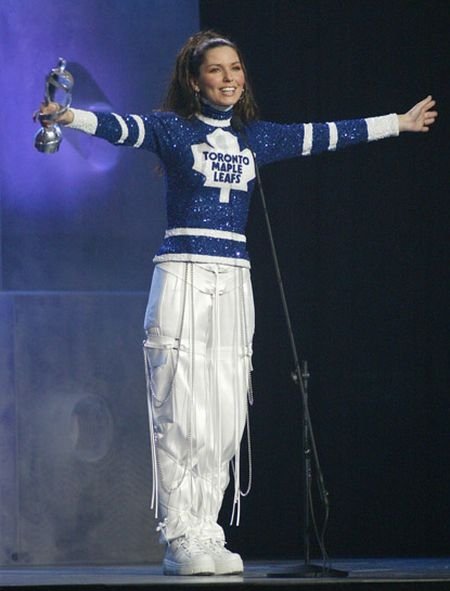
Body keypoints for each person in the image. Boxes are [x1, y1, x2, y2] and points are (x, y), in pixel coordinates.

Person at [37, 30, 437, 576]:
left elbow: (320, 135)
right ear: (195, 80)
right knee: (181, 409)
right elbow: (120, 127)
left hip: (233, 280)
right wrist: (68, 117)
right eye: (217, 70)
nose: (229, 78)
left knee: (223, 415)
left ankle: (208, 527)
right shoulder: (171, 129)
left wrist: (398, 122)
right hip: (182, 274)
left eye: (236, 69)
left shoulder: (257, 139)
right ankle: (179, 534)